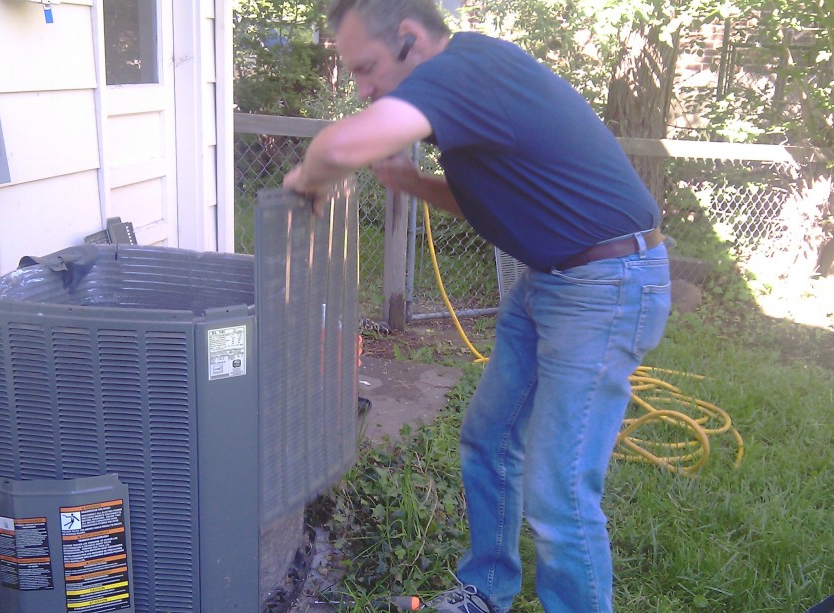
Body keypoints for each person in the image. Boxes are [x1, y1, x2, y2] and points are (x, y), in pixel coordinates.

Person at [283, 0, 671, 610]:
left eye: (366, 68)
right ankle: (486, 589)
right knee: (488, 438)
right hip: (554, 279)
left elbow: (336, 148)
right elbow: (494, 203)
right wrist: (414, 185)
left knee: (560, 491)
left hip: (606, 283)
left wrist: (305, 181)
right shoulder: (469, 88)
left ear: (410, 38)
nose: (362, 89)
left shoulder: (463, 71)